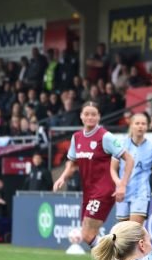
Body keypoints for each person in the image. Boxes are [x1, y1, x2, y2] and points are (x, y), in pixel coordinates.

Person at [53, 101, 134, 247]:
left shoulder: (105, 137)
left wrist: (122, 184)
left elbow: (129, 159)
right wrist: (62, 176)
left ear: (99, 117)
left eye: (93, 114)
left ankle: (116, 259)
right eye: (87, 114)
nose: (90, 117)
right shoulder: (76, 137)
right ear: (81, 116)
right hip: (88, 192)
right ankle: (116, 256)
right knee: (88, 235)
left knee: (87, 234)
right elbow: (71, 163)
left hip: (103, 190)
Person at [111, 113, 152, 224]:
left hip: (141, 194)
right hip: (123, 193)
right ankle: (146, 241)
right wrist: (119, 184)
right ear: (131, 125)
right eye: (137, 123)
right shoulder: (121, 144)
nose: (140, 126)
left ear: (147, 127)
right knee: (123, 234)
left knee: (134, 230)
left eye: (143, 124)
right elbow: (112, 169)